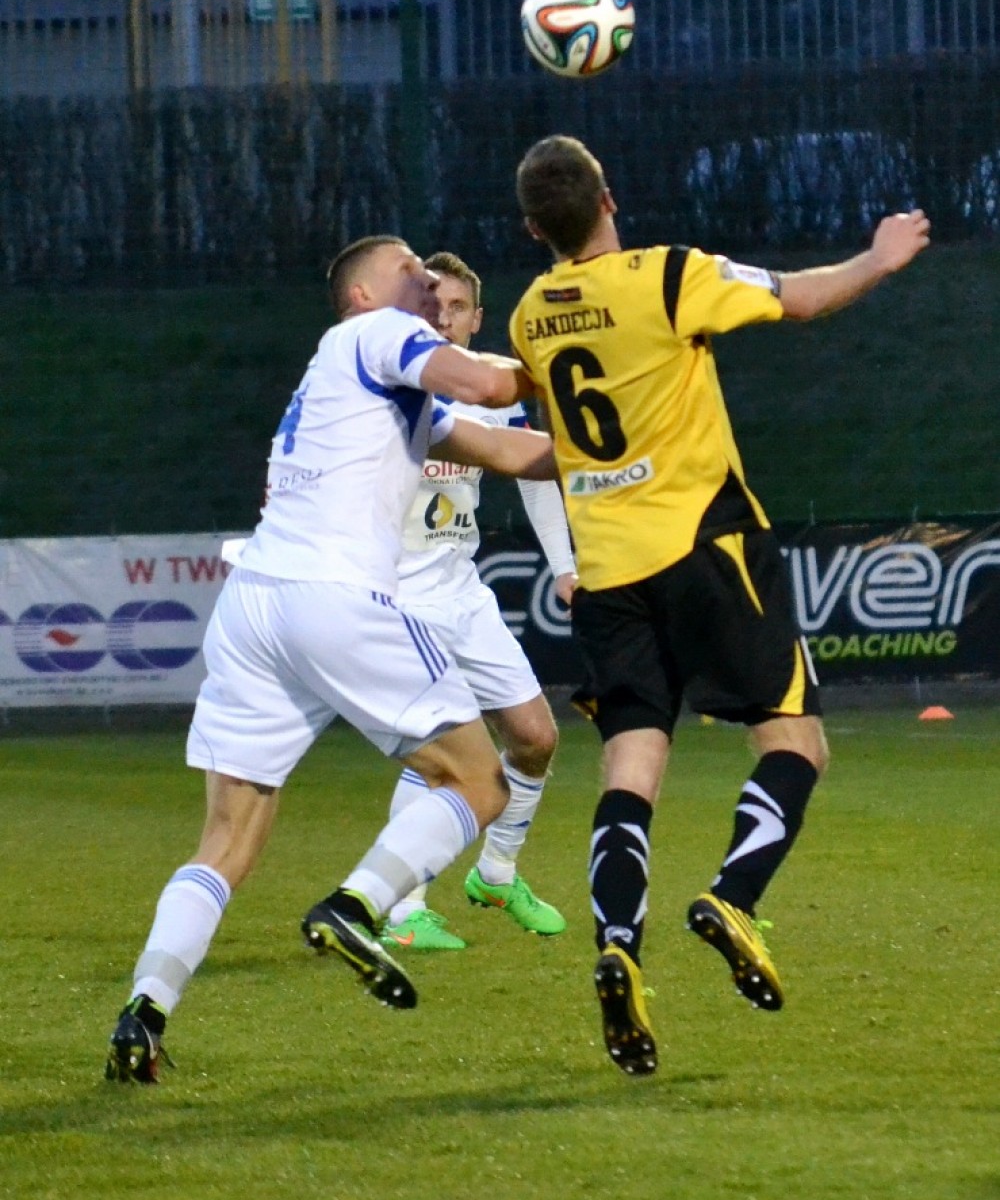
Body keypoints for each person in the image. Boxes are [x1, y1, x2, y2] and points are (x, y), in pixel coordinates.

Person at [509, 134, 931, 1078]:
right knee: (795, 741)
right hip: (707, 545)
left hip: (606, 574)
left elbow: (550, 430)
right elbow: (800, 297)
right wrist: (879, 257)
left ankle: (619, 945)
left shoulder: (532, 313)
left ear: (535, 230)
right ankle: (734, 895)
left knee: (631, 766)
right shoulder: (668, 275)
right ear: (609, 196)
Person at [105, 235, 556, 1084]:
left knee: (226, 840)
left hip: (254, 608)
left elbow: (511, 450)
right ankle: (358, 904)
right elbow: (492, 386)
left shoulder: (372, 388)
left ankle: (144, 1014)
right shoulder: (372, 334)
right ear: (361, 296)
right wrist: (577, 361)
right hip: (333, 598)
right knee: (480, 783)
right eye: (407, 268)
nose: (425, 278)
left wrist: (618, 456)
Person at [372, 251, 576, 951]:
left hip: (462, 589)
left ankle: (496, 872)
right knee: (441, 757)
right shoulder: (385, 382)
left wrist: (565, 568)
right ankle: (404, 910)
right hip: (398, 598)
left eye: (457, 307)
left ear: (476, 318)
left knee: (536, 737)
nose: (443, 317)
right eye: (432, 304)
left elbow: (535, 474)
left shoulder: (489, 390)